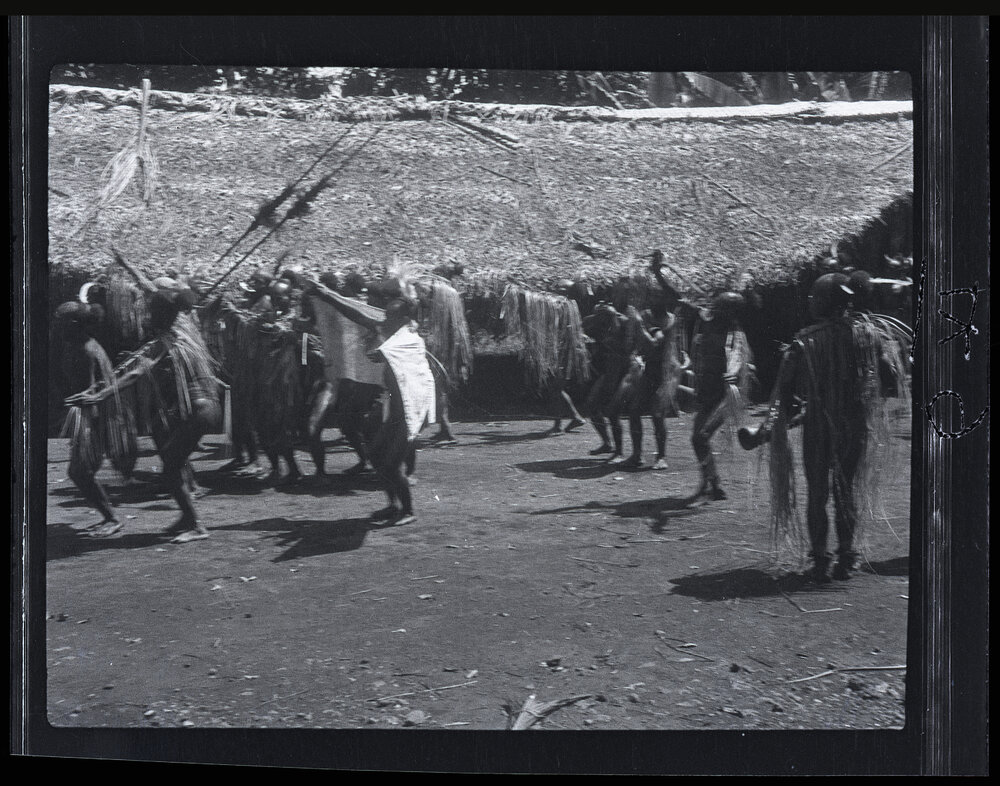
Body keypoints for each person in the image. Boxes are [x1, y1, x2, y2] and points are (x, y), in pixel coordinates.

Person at [738, 272, 909, 582]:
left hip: (818, 429)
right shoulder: (870, 336)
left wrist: (770, 427)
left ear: (827, 301)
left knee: (818, 494)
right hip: (856, 426)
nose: (810, 301)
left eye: (815, 297)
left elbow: (783, 398)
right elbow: (890, 379)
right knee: (848, 493)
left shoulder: (805, 342)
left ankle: (820, 560)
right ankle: (847, 557)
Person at [65, 288, 221, 543]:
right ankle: (187, 518)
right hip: (208, 407)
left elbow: (137, 373)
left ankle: (196, 525)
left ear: (161, 313)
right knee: (173, 460)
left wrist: (99, 397)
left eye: (151, 311)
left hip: (198, 410)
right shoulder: (183, 331)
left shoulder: (165, 342)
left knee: (170, 466)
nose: (148, 315)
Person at [298, 274, 435, 525]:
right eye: (387, 315)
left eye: (391, 316)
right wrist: (325, 293)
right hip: (393, 400)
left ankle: (408, 511)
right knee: (374, 453)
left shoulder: (409, 339)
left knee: (391, 463)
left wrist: (382, 354)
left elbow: (403, 362)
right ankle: (393, 504)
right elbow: (356, 315)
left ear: (405, 319)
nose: (385, 319)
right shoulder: (392, 329)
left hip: (408, 405)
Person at [55, 301, 134, 533]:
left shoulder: (86, 350)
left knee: (80, 472)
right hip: (96, 417)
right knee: (80, 472)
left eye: (61, 323)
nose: (57, 327)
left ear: (74, 324)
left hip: (98, 418)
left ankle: (112, 519)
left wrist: (86, 423)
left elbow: (91, 392)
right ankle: (110, 517)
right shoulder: (80, 345)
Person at [581, 303, 631, 460]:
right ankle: (607, 443)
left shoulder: (624, 325)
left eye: (605, 320)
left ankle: (619, 451)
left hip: (622, 372)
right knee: (592, 406)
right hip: (606, 371)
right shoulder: (596, 323)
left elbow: (630, 349)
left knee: (613, 412)